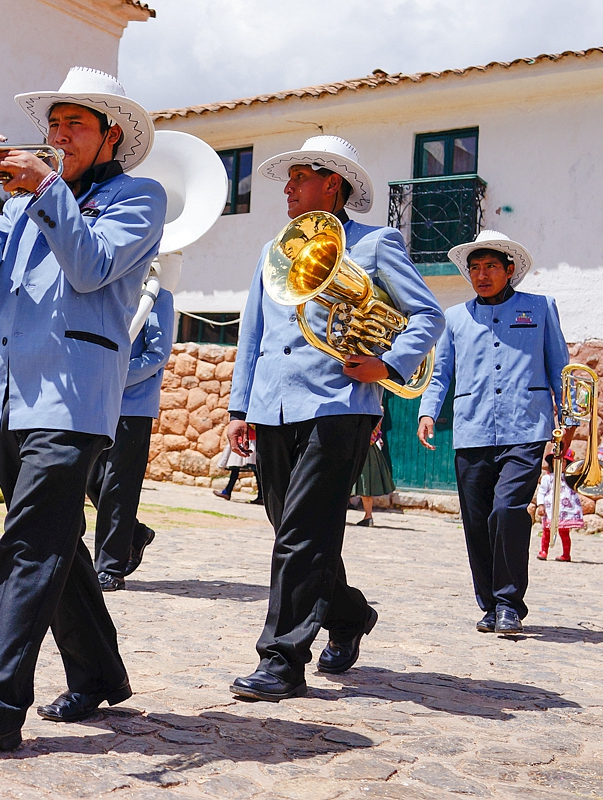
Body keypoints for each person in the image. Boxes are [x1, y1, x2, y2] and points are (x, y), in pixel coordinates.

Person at [0, 67, 165, 759]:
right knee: (52, 538)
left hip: (72, 397)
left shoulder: (139, 198)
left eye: (75, 125)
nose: (58, 136)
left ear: (111, 136)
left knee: (28, 543)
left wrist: (47, 188)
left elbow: (90, 268)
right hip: (7, 391)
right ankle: (98, 670)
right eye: (53, 125)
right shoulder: (27, 201)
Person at [226, 135, 443, 702]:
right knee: (294, 528)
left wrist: (388, 362)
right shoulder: (273, 252)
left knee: (301, 534)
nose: (288, 188)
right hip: (273, 405)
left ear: (333, 184)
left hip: (338, 407)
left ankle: (281, 660)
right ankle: (347, 615)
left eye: (299, 177)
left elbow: (427, 315)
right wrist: (237, 406)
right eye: (289, 179)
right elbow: (252, 333)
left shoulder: (376, 242)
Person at [418, 230, 570, 635]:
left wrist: (568, 419)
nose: (481, 275)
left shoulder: (540, 308)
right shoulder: (455, 317)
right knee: (477, 520)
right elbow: (440, 373)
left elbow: (560, 368)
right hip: (472, 429)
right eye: (475, 268)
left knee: (508, 511)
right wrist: (428, 412)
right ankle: (488, 604)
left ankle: (508, 604)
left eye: (490, 267)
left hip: (527, 426)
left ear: (509, 270)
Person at [85, 286, 173, 590]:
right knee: (91, 480)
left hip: (133, 404)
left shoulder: (159, 297)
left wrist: (113, 374)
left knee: (118, 487)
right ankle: (134, 533)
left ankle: (110, 567)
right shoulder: (107, 289)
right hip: (97, 400)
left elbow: (156, 354)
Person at [536, 452, 582, 562]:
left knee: (564, 532)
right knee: (546, 531)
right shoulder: (547, 478)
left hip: (565, 510)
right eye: (555, 461)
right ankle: (544, 552)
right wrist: (540, 504)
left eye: (563, 462)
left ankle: (566, 554)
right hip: (550, 509)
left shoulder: (570, 478)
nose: (559, 464)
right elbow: (541, 491)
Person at [352, 414, 394, 527]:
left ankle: (368, 516)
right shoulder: (377, 409)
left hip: (361, 448)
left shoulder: (373, 410)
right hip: (369, 448)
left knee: (363, 483)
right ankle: (368, 516)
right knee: (365, 483)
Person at [215, 425, 261, 503]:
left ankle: (261, 496)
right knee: (236, 468)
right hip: (242, 440)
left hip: (250, 440)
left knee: (255, 469)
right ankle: (227, 491)